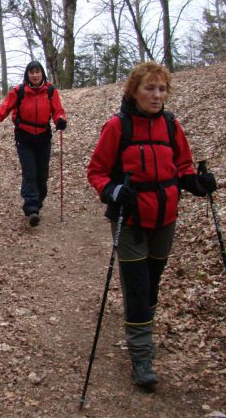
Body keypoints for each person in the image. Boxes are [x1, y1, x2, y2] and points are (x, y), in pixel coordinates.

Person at [86, 61, 217, 387]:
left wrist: (196, 183)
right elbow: (96, 171)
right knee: (138, 286)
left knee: (152, 282)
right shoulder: (117, 127)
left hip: (165, 219)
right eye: (150, 88)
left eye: (162, 89)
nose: (157, 95)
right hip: (130, 220)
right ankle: (141, 356)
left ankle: (139, 327)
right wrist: (114, 190)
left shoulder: (171, 126)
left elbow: (183, 164)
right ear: (134, 90)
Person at [0, 61, 67, 226]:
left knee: (42, 174)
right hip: (24, 137)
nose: (35, 75)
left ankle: (37, 202)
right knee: (30, 172)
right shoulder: (19, 91)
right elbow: (4, 108)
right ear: (27, 74)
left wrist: (61, 120)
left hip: (43, 136)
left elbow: (58, 111)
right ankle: (31, 208)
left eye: (37, 72)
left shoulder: (50, 91)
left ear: (42, 73)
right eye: (31, 72)